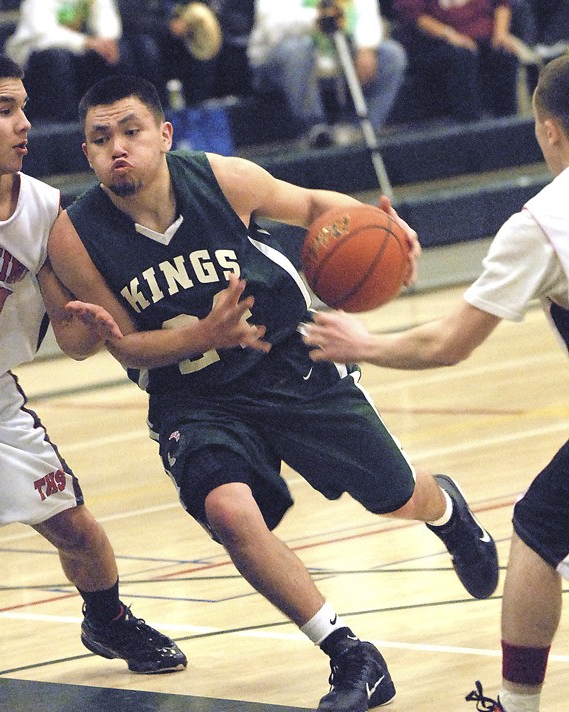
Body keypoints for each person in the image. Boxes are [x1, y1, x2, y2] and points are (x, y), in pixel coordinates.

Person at [45, 73, 498, 712]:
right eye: (100, 139)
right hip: (194, 398)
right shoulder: (76, 231)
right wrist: (207, 333)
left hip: (292, 364)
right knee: (231, 514)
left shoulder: (220, 179)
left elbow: (315, 207)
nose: (118, 147)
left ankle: (446, 510)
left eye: (131, 131)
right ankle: (350, 655)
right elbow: (123, 344)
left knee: (398, 497)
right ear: (87, 154)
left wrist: (382, 228)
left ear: (164, 135)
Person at [303, 53, 569, 712]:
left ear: (550, 131)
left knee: (539, 529)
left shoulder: (543, 223)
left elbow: (447, 343)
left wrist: (365, 344)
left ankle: (517, 702)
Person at [0, 50, 187, 712]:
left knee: (77, 530)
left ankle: (106, 620)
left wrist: (89, 322)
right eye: (6, 109)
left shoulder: (46, 212)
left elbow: (77, 344)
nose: (25, 123)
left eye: (24, 107)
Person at [248, 0, 407, 147]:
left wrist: (366, 47)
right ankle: (314, 129)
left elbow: (369, 16)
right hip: (281, 63)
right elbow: (271, 28)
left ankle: (359, 130)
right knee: (297, 50)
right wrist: (317, 18)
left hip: (340, 59)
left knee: (391, 54)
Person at [5, 0, 135, 122]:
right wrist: (86, 42)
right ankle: (63, 123)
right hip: (34, 53)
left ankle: (114, 113)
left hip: (76, 51)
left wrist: (106, 41)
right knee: (56, 58)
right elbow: (42, 32)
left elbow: (105, 14)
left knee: (120, 51)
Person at [392, 0, 521, 122]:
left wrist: (501, 34)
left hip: (485, 36)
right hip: (437, 41)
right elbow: (413, 15)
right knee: (462, 57)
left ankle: (508, 126)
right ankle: (472, 131)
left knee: (505, 54)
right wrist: (451, 36)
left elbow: (502, 4)